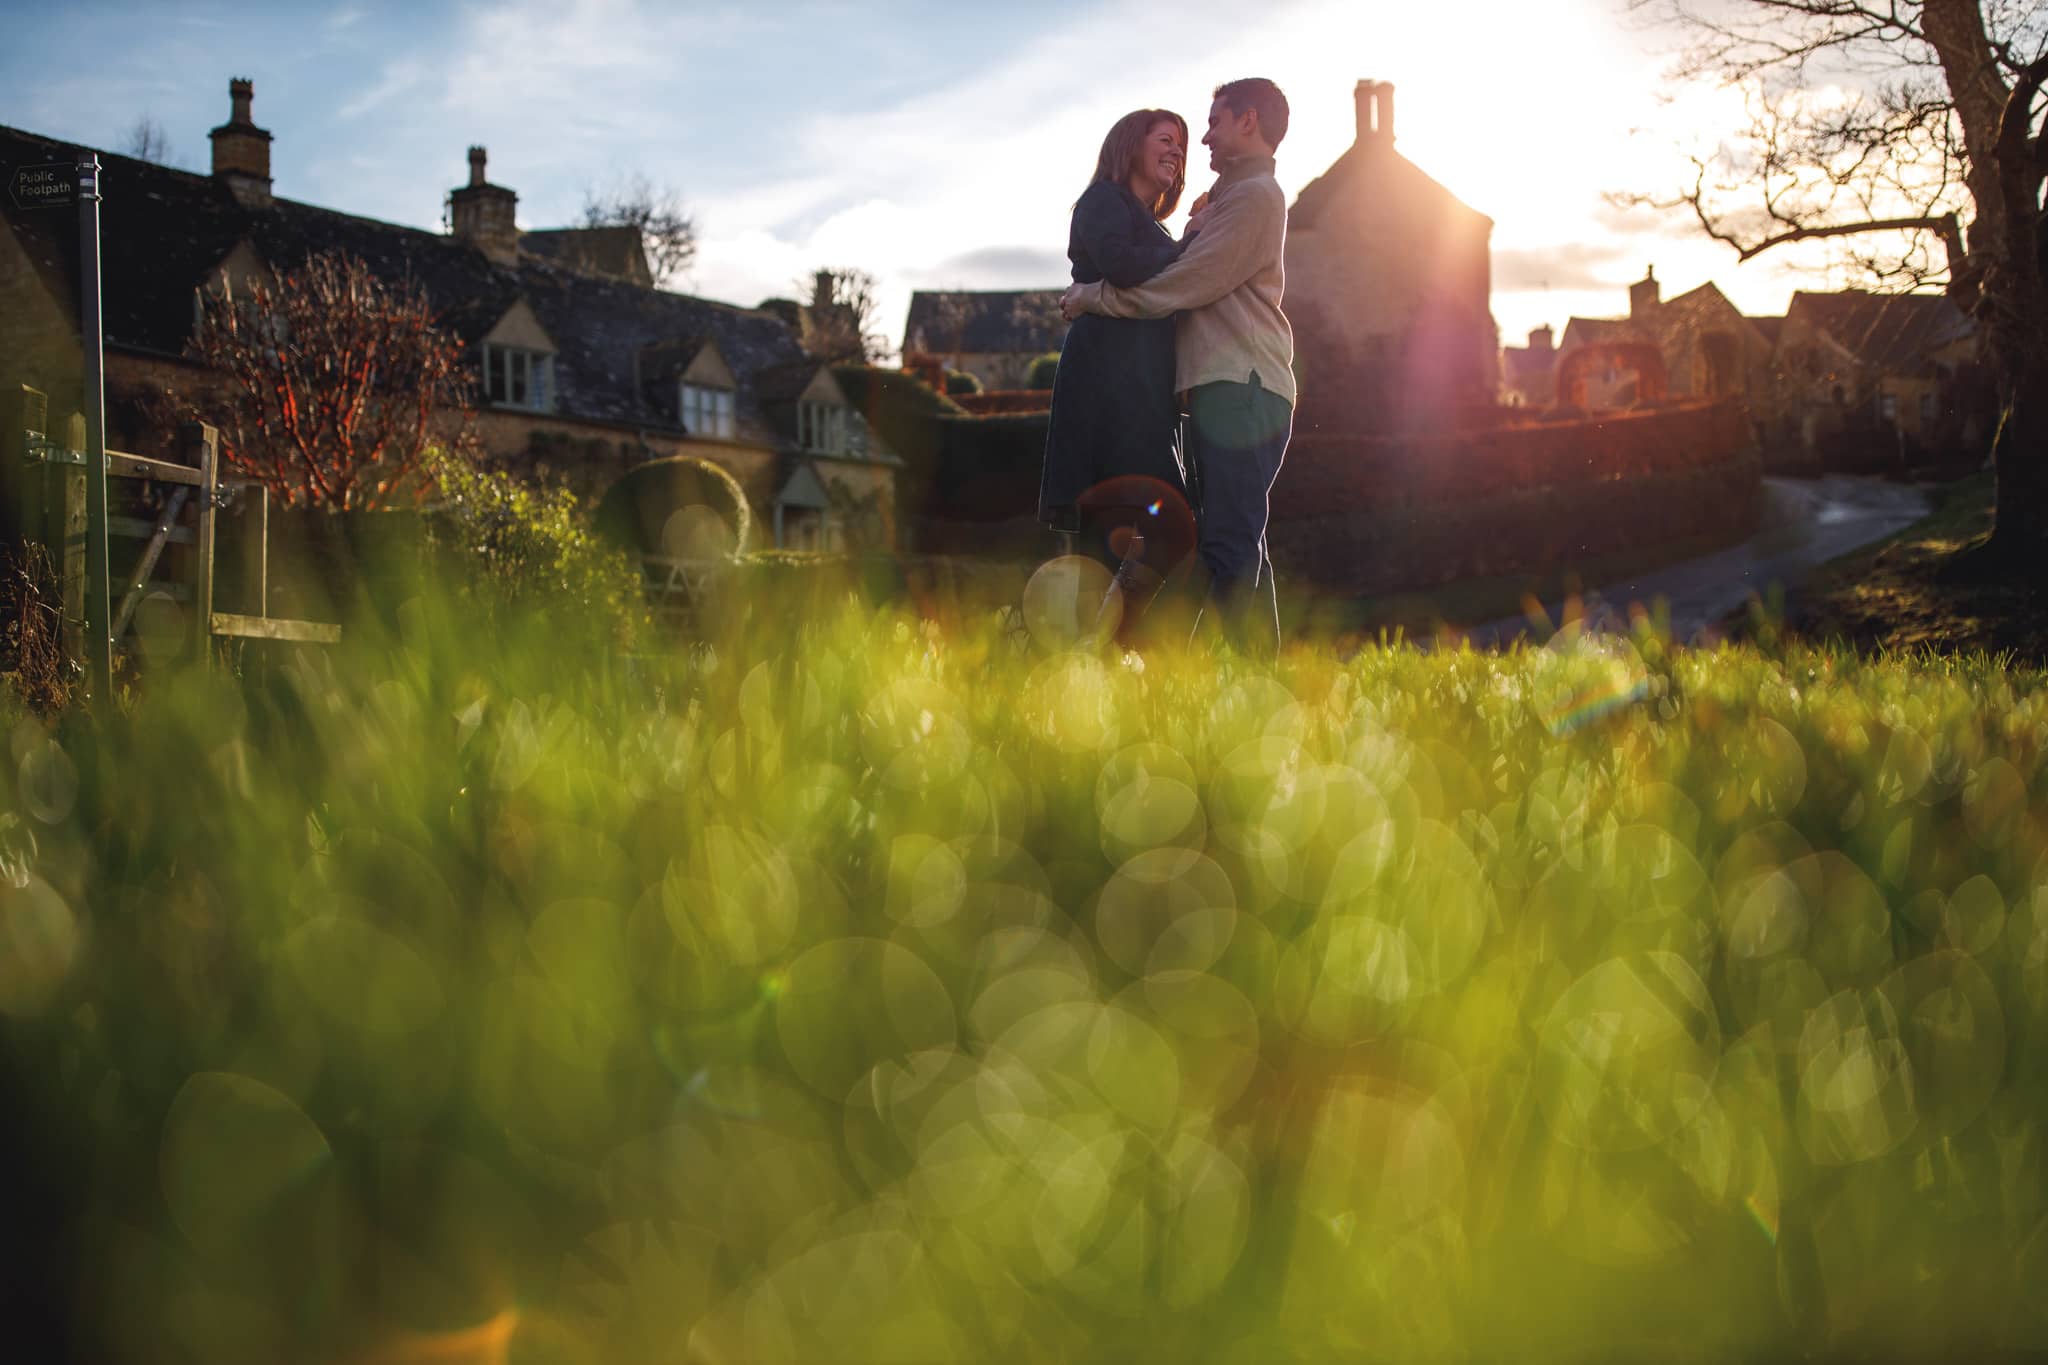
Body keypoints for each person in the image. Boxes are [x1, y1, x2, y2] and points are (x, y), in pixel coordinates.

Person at [1062, 78, 1295, 656]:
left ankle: (1187, 675)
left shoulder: (1255, 198)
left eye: (1213, 123)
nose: (1205, 139)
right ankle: (1257, 676)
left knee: (1224, 544)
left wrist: (1094, 297)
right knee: (1242, 539)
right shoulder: (1228, 199)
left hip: (1242, 385)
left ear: (1248, 122)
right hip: (1221, 388)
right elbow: (1183, 261)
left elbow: (1183, 284)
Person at [1038, 108, 1202, 644]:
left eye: (1181, 145)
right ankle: (1091, 649)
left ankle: (1103, 643)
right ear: (1131, 145)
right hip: (1106, 384)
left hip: (1140, 390)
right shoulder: (1102, 201)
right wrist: (1189, 246)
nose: (1177, 151)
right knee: (1131, 524)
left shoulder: (1151, 224)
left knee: (1148, 525)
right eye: (1165, 139)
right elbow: (1125, 266)